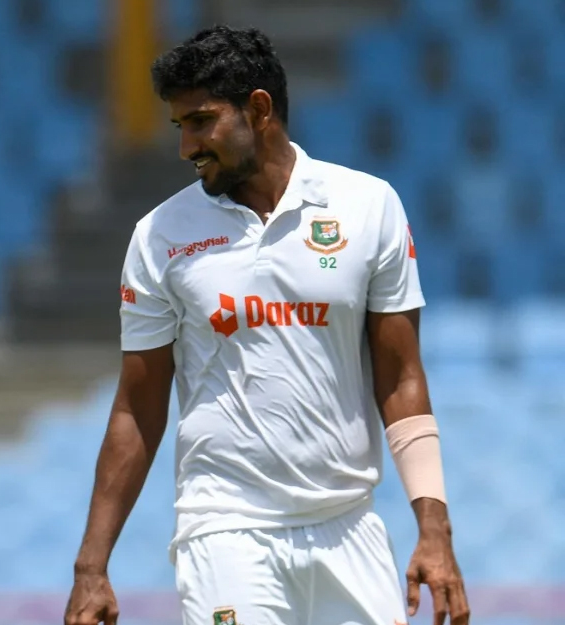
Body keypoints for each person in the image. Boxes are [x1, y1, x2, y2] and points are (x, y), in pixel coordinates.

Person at [64, 26, 469, 625]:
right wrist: (91, 567)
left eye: (201, 122)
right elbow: (137, 408)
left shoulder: (368, 205)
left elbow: (402, 378)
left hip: (348, 526)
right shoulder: (159, 235)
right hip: (226, 532)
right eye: (179, 126)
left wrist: (434, 530)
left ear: (258, 109)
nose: (186, 147)